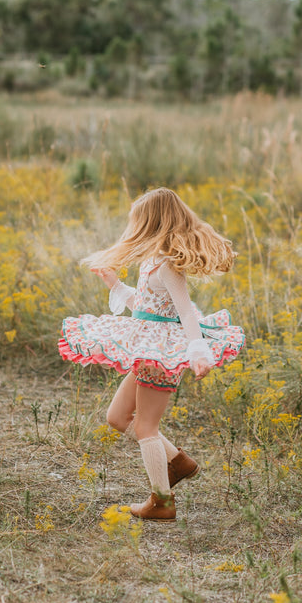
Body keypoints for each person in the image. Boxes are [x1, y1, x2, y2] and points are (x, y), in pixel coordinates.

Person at [59, 188, 245, 521]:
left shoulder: (169, 266)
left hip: (163, 354)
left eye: (138, 222)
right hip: (148, 347)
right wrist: (115, 284)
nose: (133, 229)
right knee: (117, 417)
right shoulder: (151, 261)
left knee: (146, 427)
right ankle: (177, 462)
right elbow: (147, 309)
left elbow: (186, 313)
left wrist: (198, 351)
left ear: (152, 223)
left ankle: (162, 501)